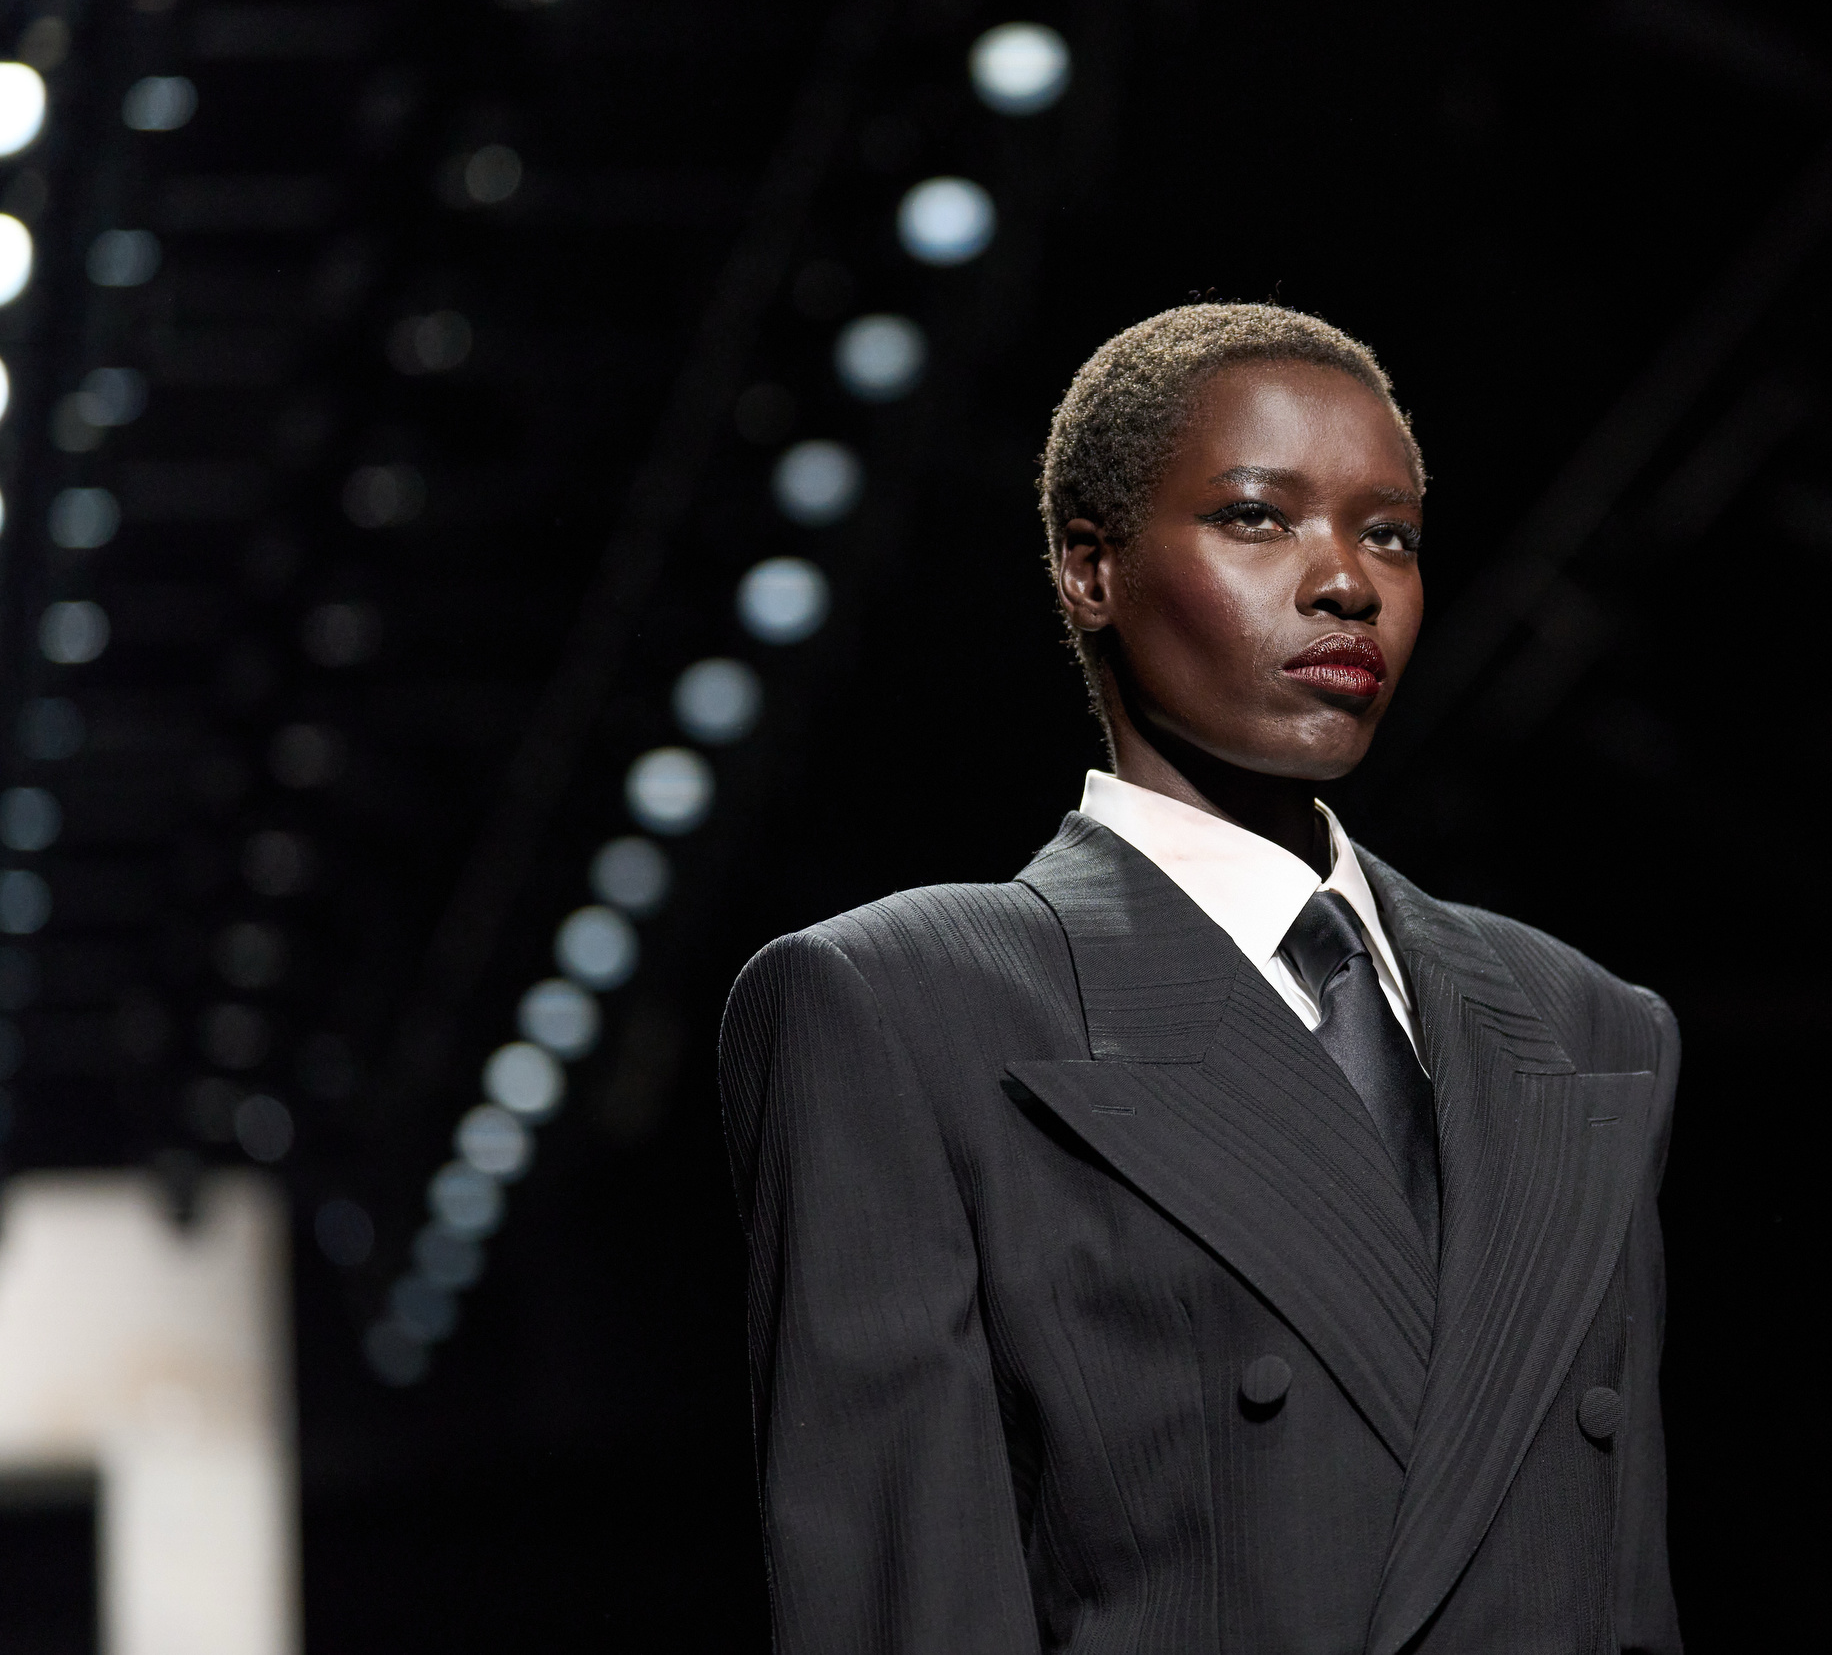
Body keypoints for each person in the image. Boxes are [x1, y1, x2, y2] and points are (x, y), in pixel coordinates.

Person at [719, 303, 1681, 1654]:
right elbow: (903, 1610)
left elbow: (1622, 1597)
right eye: (1257, 518)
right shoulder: (904, 1010)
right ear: (1090, 569)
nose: (1345, 582)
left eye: (1390, 533)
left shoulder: (1585, 1024)